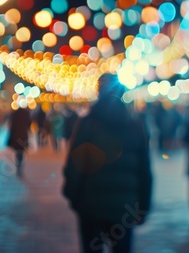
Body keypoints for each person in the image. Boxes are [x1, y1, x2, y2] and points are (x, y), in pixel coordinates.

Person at [63, 73, 152, 253]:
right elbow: (144, 170)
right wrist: (143, 206)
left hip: (90, 206)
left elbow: (74, 166)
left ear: (98, 91)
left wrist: (74, 198)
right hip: (124, 209)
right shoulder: (135, 125)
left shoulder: (87, 123)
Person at [7, 106, 31, 176]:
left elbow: (11, 125)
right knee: (21, 151)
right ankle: (19, 165)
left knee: (17, 151)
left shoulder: (14, 113)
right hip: (23, 135)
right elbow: (29, 124)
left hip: (15, 135)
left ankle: (18, 165)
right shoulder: (26, 113)